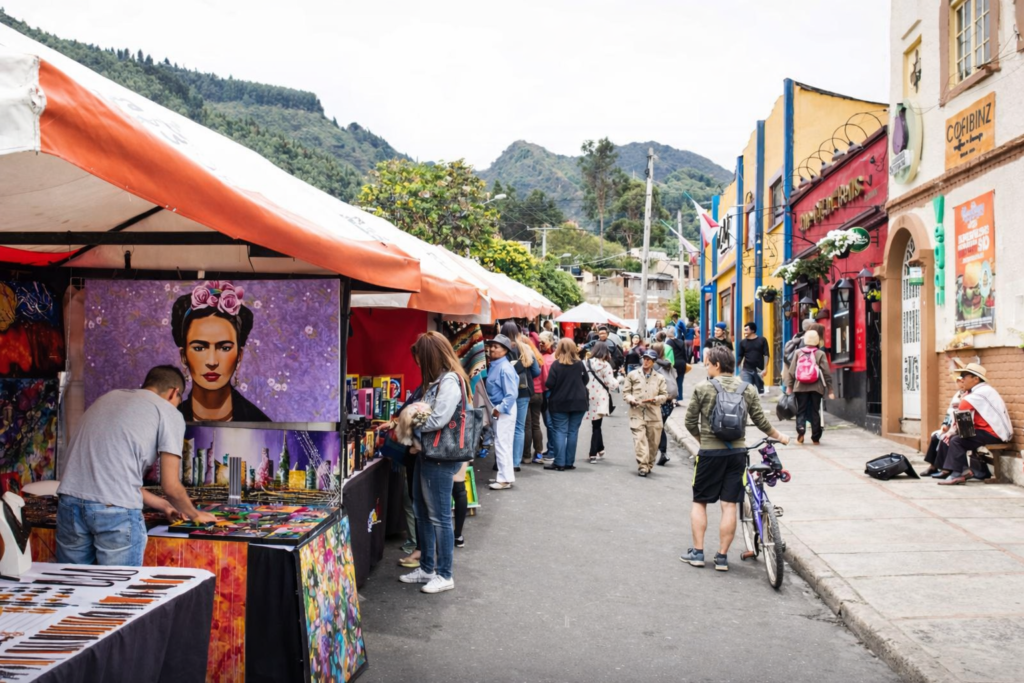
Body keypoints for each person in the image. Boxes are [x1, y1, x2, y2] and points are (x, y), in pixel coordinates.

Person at [57, 366, 216, 566]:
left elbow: (115, 481)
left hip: (69, 505)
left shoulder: (108, 398)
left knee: (72, 587)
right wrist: (195, 514)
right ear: (174, 392)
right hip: (115, 512)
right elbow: (171, 486)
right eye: (179, 400)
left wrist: (164, 506)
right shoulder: (167, 411)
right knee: (120, 592)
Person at [681, 346, 789, 571]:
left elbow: (690, 422)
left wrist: (704, 442)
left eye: (708, 363)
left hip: (710, 454)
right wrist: (780, 437)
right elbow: (761, 421)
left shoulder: (703, 388)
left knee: (700, 502)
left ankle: (698, 553)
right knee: (729, 504)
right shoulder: (747, 388)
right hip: (737, 454)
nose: (706, 367)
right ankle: (721, 557)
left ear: (717, 365)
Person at [398, 332, 473, 594]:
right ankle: (428, 568)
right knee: (422, 512)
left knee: (440, 517)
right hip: (428, 455)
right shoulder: (441, 381)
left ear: (429, 357)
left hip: (438, 458)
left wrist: (409, 425)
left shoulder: (449, 381)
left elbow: (437, 420)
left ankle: (444, 574)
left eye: (420, 359)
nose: (418, 364)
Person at [171, 280, 271, 422]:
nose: (212, 362)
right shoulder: (170, 420)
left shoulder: (259, 422)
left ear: (239, 356)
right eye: (199, 348)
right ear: (183, 356)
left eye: (224, 348)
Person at [935, 363, 1013, 484]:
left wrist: (951, 433)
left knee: (956, 440)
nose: (962, 380)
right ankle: (963, 470)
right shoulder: (982, 391)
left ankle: (957, 474)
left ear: (976, 379)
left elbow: (963, 424)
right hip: (988, 431)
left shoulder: (977, 394)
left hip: (993, 433)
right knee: (956, 438)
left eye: (964, 376)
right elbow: (964, 426)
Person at [544, 338, 589, 472]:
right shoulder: (580, 364)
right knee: (573, 432)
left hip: (559, 402)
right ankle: (569, 462)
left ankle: (559, 462)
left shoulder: (556, 365)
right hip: (579, 402)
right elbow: (585, 380)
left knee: (560, 431)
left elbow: (549, 384)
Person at [782, 329, 834, 445]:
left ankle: (801, 432)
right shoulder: (820, 353)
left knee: (801, 410)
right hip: (817, 388)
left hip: (800, 387)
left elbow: (792, 371)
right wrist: (830, 389)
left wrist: (789, 386)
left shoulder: (798, 352)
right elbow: (826, 372)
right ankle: (815, 437)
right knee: (815, 411)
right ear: (817, 341)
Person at [623, 349, 669, 477]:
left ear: (654, 361)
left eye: (649, 359)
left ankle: (649, 464)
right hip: (637, 412)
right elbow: (626, 392)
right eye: (645, 358)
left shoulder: (660, 378)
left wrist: (655, 399)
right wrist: (630, 399)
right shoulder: (632, 375)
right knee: (639, 440)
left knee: (653, 444)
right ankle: (642, 466)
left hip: (654, 414)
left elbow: (664, 395)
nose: (646, 361)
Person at [500, 322, 539, 472]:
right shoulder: (526, 348)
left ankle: (502, 460)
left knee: (503, 427)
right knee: (519, 427)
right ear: (517, 332)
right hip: (523, 391)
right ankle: (515, 462)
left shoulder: (499, 348)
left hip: (504, 392)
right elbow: (536, 371)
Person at [484, 334, 519, 490]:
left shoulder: (505, 368)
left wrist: (499, 409)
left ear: (504, 350)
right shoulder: (496, 365)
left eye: (495, 346)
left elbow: (511, 394)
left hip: (504, 409)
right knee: (502, 443)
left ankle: (504, 479)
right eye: (491, 346)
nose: (491, 349)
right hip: (501, 409)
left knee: (502, 444)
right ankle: (506, 477)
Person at [923, 367, 967, 477]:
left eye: (961, 381)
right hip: (953, 425)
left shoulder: (971, 394)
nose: (959, 384)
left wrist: (951, 430)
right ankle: (933, 466)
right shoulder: (957, 394)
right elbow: (950, 412)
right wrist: (944, 425)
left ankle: (945, 469)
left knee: (947, 438)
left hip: (962, 426)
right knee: (936, 436)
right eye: (957, 381)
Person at [584, 342, 617, 464]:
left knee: (595, 423)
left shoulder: (587, 363)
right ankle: (593, 454)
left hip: (589, 395)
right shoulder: (606, 365)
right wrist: (618, 381)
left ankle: (600, 448)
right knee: (597, 426)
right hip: (601, 397)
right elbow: (611, 384)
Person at [652, 343, 678, 467]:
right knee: (660, 426)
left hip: (659, 401)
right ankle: (661, 452)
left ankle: (660, 452)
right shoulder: (668, 364)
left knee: (657, 427)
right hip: (669, 402)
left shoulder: (655, 366)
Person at [522, 335, 547, 466]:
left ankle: (526, 456)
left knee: (527, 425)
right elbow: (543, 377)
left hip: (526, 392)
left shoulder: (522, 357)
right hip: (538, 393)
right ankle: (538, 453)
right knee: (536, 425)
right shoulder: (538, 357)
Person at [738, 322, 770, 395]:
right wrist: (739, 367)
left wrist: (765, 368)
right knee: (748, 390)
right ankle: (748, 405)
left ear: (752, 330)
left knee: (760, 391)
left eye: (746, 329)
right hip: (746, 370)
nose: (744, 331)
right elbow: (740, 356)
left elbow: (766, 354)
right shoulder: (742, 342)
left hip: (759, 370)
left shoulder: (762, 340)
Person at [666, 327, 689, 404]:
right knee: (680, 381)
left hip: (673, 363)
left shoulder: (668, 342)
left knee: (672, 381)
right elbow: (684, 354)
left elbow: (667, 354)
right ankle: (678, 398)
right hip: (682, 363)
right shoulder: (681, 341)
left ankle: (673, 398)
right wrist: (686, 362)